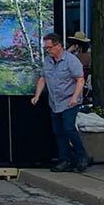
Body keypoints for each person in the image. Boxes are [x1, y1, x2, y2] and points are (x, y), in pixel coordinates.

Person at [32, 33, 88, 173]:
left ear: (58, 46)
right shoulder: (48, 61)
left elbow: (80, 80)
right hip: (55, 102)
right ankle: (66, 159)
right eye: (46, 48)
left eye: (50, 47)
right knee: (58, 132)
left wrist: (75, 97)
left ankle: (82, 157)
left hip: (70, 101)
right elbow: (43, 78)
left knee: (69, 128)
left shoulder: (71, 60)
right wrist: (37, 95)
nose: (48, 50)